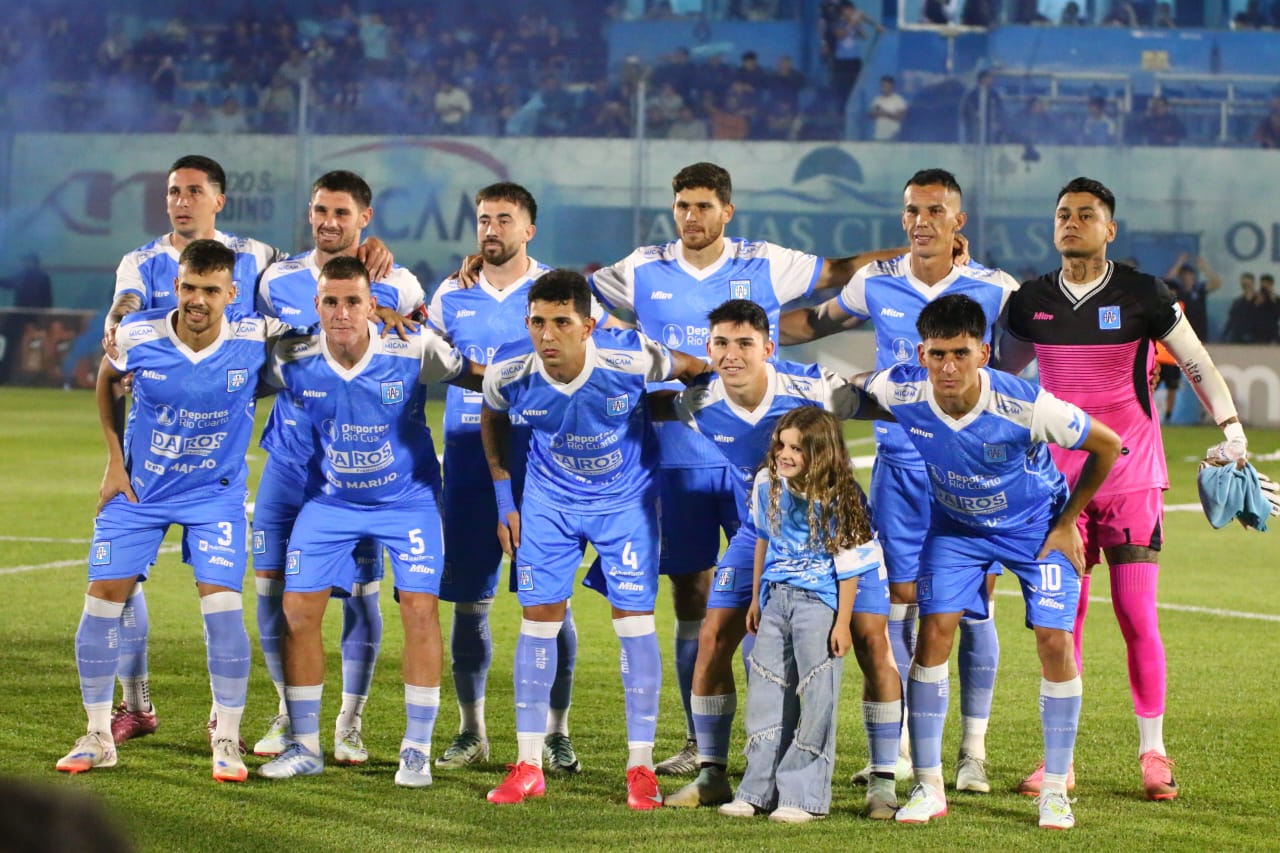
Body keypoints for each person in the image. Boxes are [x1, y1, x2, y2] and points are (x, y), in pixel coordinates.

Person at [587, 161, 901, 778]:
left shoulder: (765, 261)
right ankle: (697, 741)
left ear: (726, 210)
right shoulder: (640, 267)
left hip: (766, 463)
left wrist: (917, 253)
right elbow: (570, 300)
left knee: (783, 597)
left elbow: (839, 270)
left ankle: (785, 739)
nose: (691, 216)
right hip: (678, 454)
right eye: (682, 205)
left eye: (704, 206)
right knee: (695, 598)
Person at [104, 155, 391, 748]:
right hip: (150, 452)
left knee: (233, 592)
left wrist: (369, 248)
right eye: (172, 192)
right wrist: (119, 330)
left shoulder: (258, 259)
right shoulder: (141, 261)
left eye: (193, 192)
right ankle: (134, 703)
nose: (181, 202)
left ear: (218, 200)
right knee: (123, 579)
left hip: (225, 456)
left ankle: (255, 716)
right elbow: (126, 307)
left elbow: (305, 293)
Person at [1001, 177, 1253, 801]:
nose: (1072, 222)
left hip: (1133, 476)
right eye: (1063, 214)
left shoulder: (1143, 293)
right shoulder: (1029, 300)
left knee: (1138, 616)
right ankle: (1060, 758)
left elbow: (1194, 362)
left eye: (1086, 215)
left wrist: (1232, 427)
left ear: (1109, 230)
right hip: (1058, 487)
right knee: (1066, 620)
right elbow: (998, 378)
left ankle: (1154, 753)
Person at [780, 168, 1018, 796]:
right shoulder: (876, 282)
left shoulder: (995, 289)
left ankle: (974, 752)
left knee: (973, 608)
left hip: (972, 471)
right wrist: (729, 333)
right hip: (900, 468)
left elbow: (1021, 372)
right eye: (912, 210)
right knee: (902, 604)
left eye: (935, 211)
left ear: (958, 221)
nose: (920, 222)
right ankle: (912, 751)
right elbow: (814, 324)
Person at [861, 293, 1122, 830]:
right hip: (956, 531)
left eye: (960, 353)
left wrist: (1069, 520)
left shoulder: (1028, 404)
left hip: (1034, 532)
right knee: (933, 633)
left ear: (983, 351)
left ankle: (1054, 788)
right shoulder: (899, 387)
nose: (948, 367)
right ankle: (929, 785)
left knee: (1054, 640)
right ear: (921, 353)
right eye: (936, 355)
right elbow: (842, 397)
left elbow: (1109, 445)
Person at [655, 300, 901, 820]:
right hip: (763, 525)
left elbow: (886, 404)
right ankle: (712, 773)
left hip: (837, 526)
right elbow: (650, 407)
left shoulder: (813, 389)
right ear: (709, 349)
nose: (732, 354)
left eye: (745, 343)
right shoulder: (698, 400)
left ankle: (883, 780)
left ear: (769, 347)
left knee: (870, 639)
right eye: (721, 343)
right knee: (713, 633)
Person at [480, 270, 710, 808]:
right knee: (538, 622)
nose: (547, 335)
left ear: (588, 326)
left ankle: (640, 768)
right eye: (538, 322)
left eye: (562, 323)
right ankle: (529, 764)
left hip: (625, 505)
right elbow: (492, 417)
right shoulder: (510, 368)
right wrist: (503, 499)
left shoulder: (630, 356)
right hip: (547, 504)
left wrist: (697, 408)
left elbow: (695, 369)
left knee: (633, 624)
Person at [57, 239, 280, 782]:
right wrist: (115, 462)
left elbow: (321, 311)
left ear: (232, 293)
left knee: (223, 608)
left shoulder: (256, 335)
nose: (196, 300)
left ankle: (226, 737)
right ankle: (97, 734)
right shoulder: (138, 335)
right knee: (101, 602)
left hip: (215, 497)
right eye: (187, 287)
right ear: (176, 285)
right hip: (140, 492)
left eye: (210, 290)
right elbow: (108, 378)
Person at [256, 256, 480, 787]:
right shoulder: (293, 359)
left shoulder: (414, 348)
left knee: (421, 612)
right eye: (330, 301)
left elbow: (475, 376)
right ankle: (306, 745)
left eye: (352, 301)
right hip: (330, 501)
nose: (341, 312)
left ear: (371, 305)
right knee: (298, 611)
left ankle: (416, 750)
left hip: (409, 503)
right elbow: (234, 378)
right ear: (316, 306)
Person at [250, 170, 423, 761]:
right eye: (320, 210)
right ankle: (288, 712)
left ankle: (349, 721)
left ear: (364, 219)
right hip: (289, 461)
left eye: (342, 213)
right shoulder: (277, 280)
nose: (329, 222)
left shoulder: (395, 281)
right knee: (273, 590)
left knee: (359, 594)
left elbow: (417, 334)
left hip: (357, 473)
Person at [426, 183, 581, 774]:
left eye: (504, 220)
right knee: (469, 603)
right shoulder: (451, 295)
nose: (491, 230)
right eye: (484, 220)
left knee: (551, 605)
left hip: (540, 458)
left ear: (529, 230)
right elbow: (420, 346)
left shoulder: (551, 292)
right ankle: (472, 732)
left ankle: (556, 733)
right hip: (467, 459)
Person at [717, 408, 881, 824]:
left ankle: (803, 797)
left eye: (796, 449)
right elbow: (762, 540)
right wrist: (756, 598)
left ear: (820, 454)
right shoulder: (765, 483)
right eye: (781, 445)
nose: (784, 455)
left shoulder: (839, 496)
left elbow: (848, 567)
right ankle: (756, 791)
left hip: (819, 604)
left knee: (816, 697)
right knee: (766, 694)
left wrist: (842, 622)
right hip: (776, 600)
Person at [1163, 252, 1221, 341]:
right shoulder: (1178, 290)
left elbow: (1217, 283)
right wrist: (1179, 262)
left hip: (1199, 331)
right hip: (1182, 331)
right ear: (1180, 276)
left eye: (1189, 274)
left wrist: (1204, 267)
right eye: (1183, 274)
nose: (1186, 277)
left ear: (1193, 276)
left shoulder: (1199, 289)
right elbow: (1166, 282)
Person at [868, 75, 907, 141]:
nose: (883, 88)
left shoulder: (899, 100)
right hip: (878, 136)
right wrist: (874, 113)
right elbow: (869, 115)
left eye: (885, 86)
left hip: (893, 136)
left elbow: (901, 117)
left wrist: (885, 113)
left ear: (892, 86)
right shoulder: (877, 99)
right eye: (882, 85)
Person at [1222, 272, 1256, 342]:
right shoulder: (1237, 302)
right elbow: (1231, 319)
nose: (1246, 287)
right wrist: (1225, 335)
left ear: (1253, 284)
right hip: (1237, 338)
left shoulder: (1259, 301)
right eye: (1244, 285)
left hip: (1255, 339)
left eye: (1248, 284)